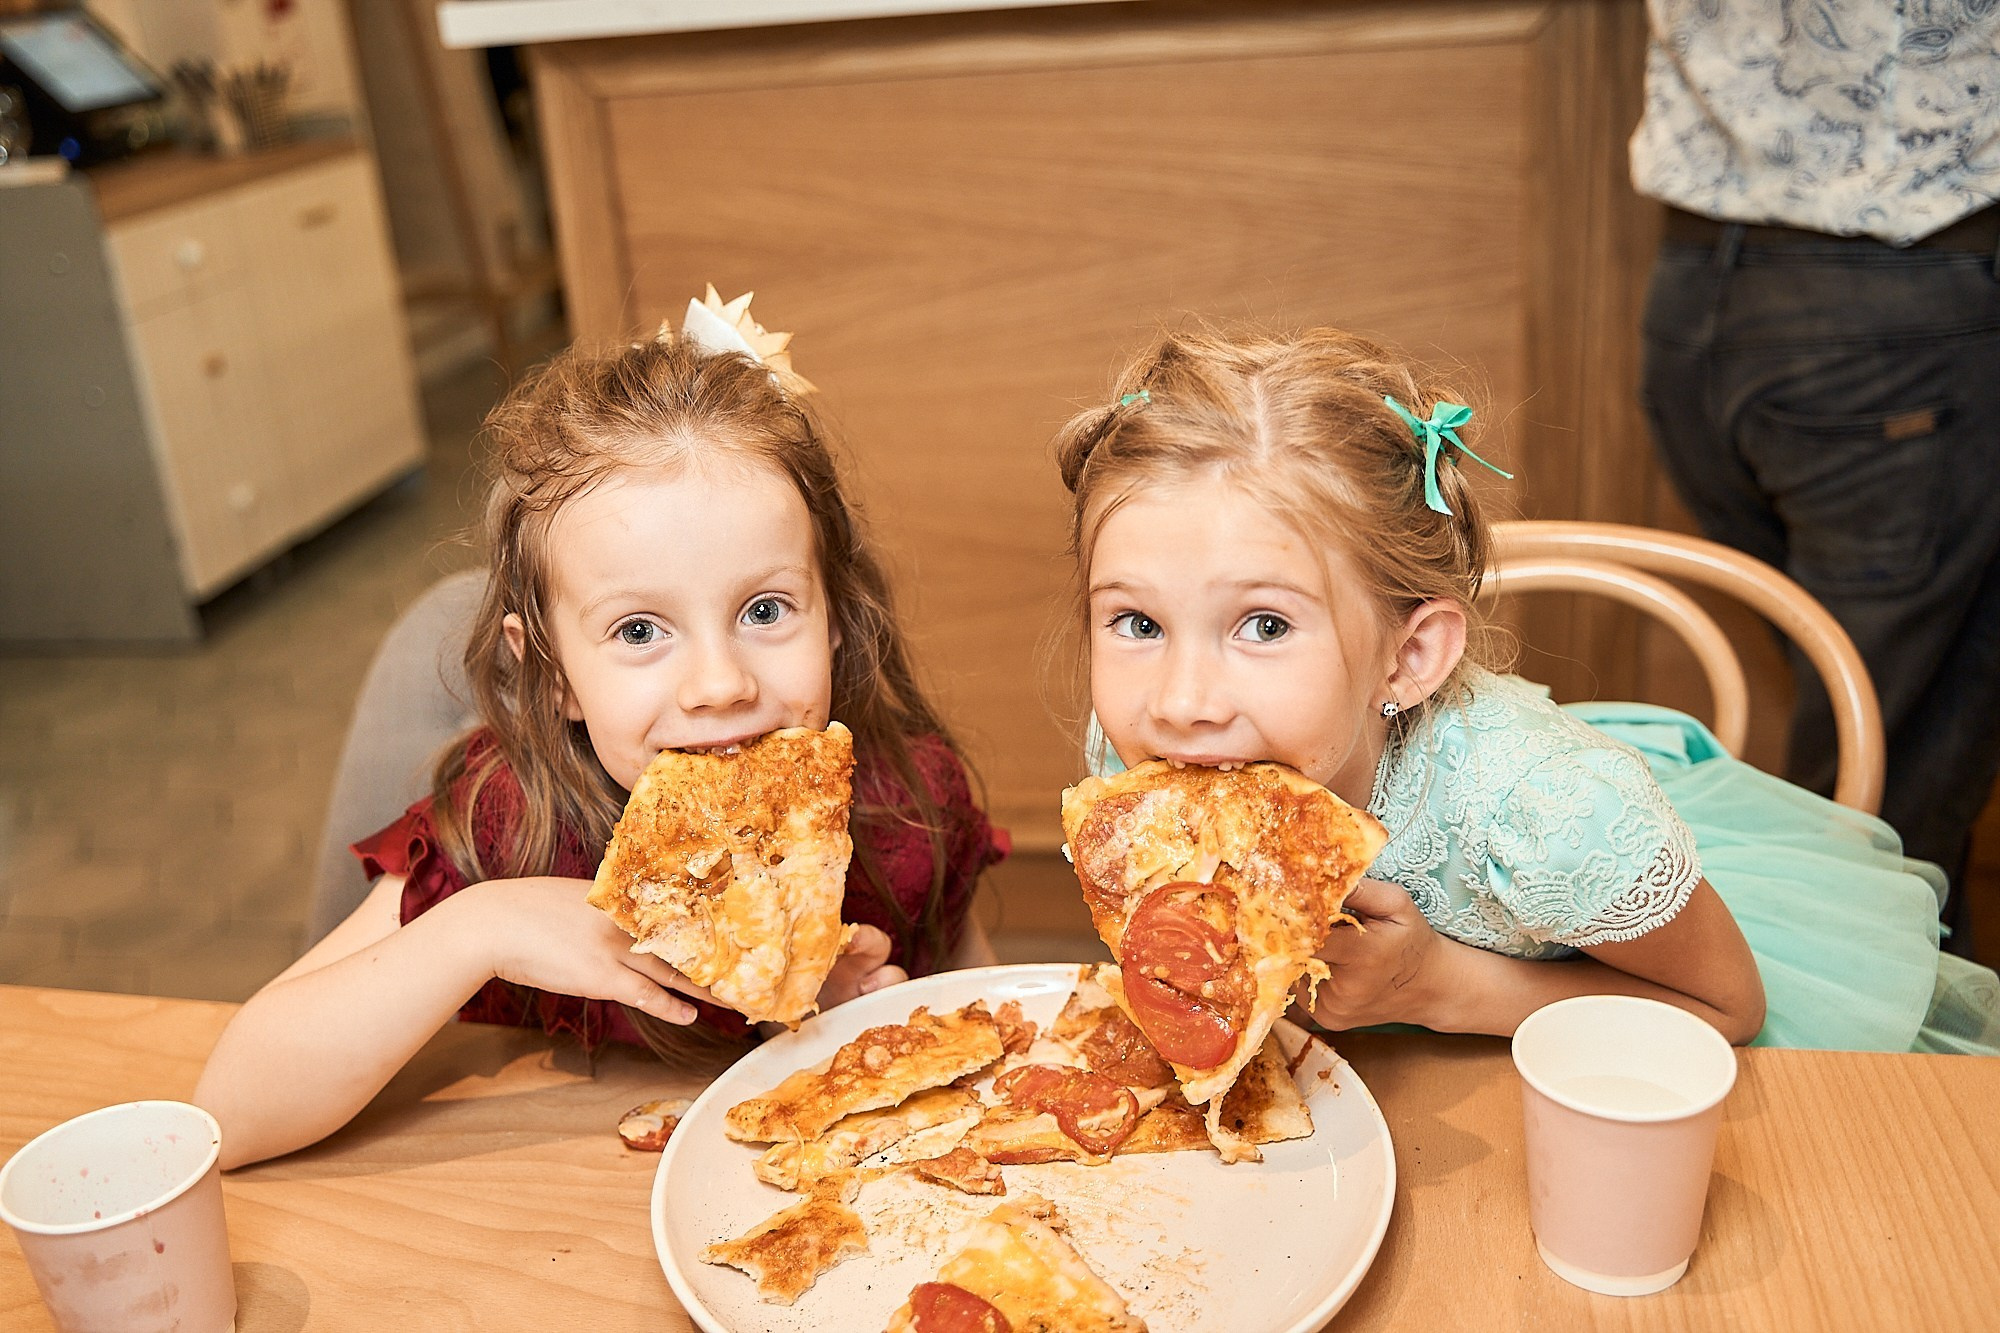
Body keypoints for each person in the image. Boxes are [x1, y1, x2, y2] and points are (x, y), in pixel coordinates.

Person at [196, 296, 1006, 1168]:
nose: (720, 684)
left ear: (836, 618)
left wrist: (865, 1021)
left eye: (764, 610)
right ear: (550, 672)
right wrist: (481, 929)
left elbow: (993, 1031)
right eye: (639, 631)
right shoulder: (510, 829)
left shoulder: (906, 806)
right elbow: (228, 1113)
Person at [1053, 326, 2000, 1054]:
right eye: (1138, 623)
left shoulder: (1552, 821)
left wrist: (1438, 988)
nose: (1180, 700)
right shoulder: (1152, 757)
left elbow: (1726, 1008)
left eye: (1263, 625)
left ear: (1409, 657)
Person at [1630, 2, 2000, 955]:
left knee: (1853, 729)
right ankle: (1865, 1077)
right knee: (1886, 798)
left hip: (1697, 294)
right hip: (1903, 298)